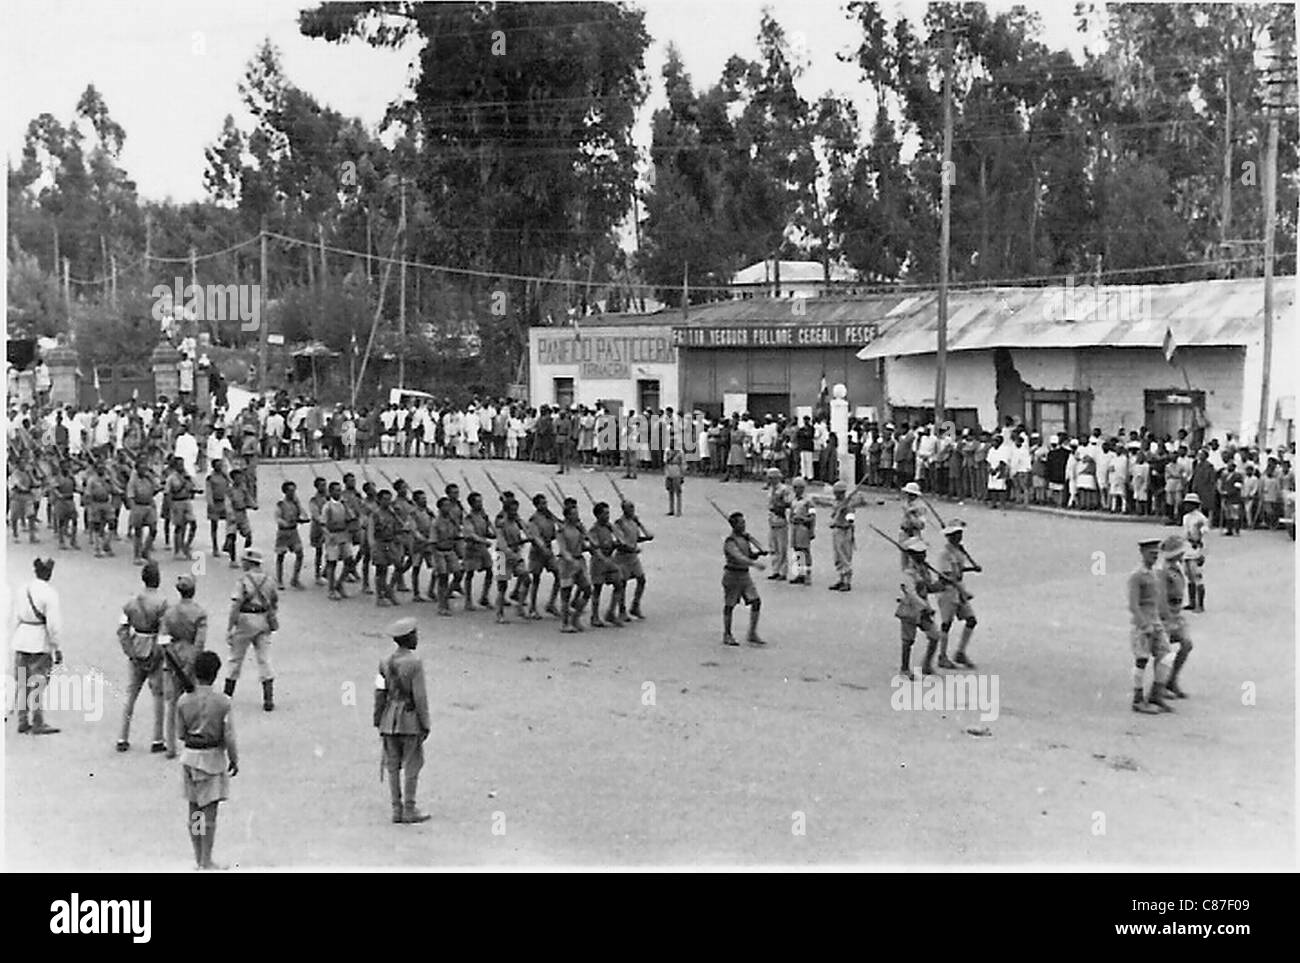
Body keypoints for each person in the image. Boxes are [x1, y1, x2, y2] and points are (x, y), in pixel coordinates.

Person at [177, 650, 239, 869]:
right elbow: (228, 735)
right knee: (209, 815)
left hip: (190, 756)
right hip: (212, 758)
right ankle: (207, 860)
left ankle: (198, 858)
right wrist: (234, 758)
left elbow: (180, 734)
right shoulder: (222, 701)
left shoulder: (184, 700)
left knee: (194, 812)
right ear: (216, 674)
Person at [373, 617, 432, 824]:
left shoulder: (384, 662)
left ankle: (396, 809)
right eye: (414, 634)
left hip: (389, 719)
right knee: (412, 764)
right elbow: (420, 697)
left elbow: (379, 693)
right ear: (409, 638)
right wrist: (426, 723)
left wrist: (378, 720)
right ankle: (409, 808)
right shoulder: (415, 663)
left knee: (392, 766)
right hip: (409, 720)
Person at [116, 561, 169, 752]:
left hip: (136, 647)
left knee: (130, 695)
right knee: (158, 696)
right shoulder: (163, 603)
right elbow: (164, 632)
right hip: (154, 650)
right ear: (158, 579)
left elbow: (122, 630)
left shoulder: (131, 603)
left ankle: (123, 736)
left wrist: (130, 651)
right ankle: (157, 739)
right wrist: (157, 653)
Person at [10, 557, 63, 735]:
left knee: (22, 681)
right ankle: (38, 720)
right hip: (39, 641)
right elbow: (53, 625)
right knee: (38, 682)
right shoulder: (50, 593)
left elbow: (15, 615)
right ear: (49, 573)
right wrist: (56, 646)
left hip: (21, 637)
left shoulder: (22, 589)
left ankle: (22, 719)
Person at [160, 574, 208, 759]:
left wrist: (172, 658)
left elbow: (163, 640)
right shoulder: (200, 613)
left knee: (171, 705)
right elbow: (200, 643)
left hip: (172, 661)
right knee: (196, 704)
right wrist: (190, 665)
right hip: (191, 660)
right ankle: (195, 741)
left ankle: (170, 746)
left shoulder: (169, 612)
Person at [224, 548, 279, 711]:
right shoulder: (269, 580)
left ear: (249, 563)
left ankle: (227, 697)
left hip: (245, 620)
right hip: (263, 620)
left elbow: (236, 605)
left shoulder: (242, 581)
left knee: (235, 659)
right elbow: (274, 602)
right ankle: (268, 699)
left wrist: (230, 627)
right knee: (264, 659)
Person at [1128, 537, 1175, 714]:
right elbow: (1133, 604)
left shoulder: (1156, 573)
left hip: (1157, 622)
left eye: (1156, 554)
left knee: (1167, 657)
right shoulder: (1137, 575)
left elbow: (1160, 599)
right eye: (1151, 554)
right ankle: (1137, 699)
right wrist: (1143, 624)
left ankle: (1156, 694)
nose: (1154, 557)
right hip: (1143, 625)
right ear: (1142, 553)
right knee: (1141, 660)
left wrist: (1166, 618)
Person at [895, 537, 944, 679]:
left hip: (923, 608)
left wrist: (940, 585)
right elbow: (911, 594)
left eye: (924, 553)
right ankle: (904, 669)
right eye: (920, 553)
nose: (923, 556)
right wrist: (925, 608)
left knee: (935, 636)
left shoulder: (923, 570)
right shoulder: (908, 573)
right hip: (910, 609)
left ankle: (926, 665)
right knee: (908, 640)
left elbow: (927, 587)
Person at [934, 522, 982, 668]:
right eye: (956, 535)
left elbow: (959, 571)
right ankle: (942, 656)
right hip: (948, 591)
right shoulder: (945, 554)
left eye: (960, 534)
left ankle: (960, 652)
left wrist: (972, 568)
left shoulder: (958, 551)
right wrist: (964, 592)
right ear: (950, 537)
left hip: (958, 588)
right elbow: (949, 576)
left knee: (971, 620)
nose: (959, 537)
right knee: (946, 624)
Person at [721, 511, 766, 647]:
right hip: (733, 575)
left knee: (756, 601)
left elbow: (748, 554)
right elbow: (738, 556)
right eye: (741, 523)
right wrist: (754, 562)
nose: (744, 525)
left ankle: (752, 632)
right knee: (730, 605)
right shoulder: (731, 541)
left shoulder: (745, 538)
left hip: (744, 575)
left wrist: (757, 554)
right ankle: (727, 633)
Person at [1157, 536, 1193, 699]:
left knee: (1186, 644)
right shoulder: (1163, 571)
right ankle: (1160, 685)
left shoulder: (1177, 567)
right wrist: (1167, 618)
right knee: (1163, 652)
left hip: (1177, 612)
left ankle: (1172, 679)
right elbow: (1161, 596)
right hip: (1166, 613)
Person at [492, 492, 532, 623]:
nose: (515, 512)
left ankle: (520, 606)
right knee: (502, 587)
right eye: (513, 510)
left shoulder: (517, 522)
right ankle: (499, 614)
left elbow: (526, 531)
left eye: (516, 510)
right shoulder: (501, 523)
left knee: (526, 578)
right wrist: (513, 555)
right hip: (502, 556)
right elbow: (502, 544)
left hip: (515, 553)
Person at [612, 499, 653, 620]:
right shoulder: (619, 523)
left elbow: (636, 538)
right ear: (624, 509)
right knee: (622, 584)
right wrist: (632, 548)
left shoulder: (634, 522)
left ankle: (635, 605)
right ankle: (622, 610)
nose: (632, 510)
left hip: (633, 557)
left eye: (633, 508)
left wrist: (642, 529)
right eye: (630, 508)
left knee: (641, 580)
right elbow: (622, 542)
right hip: (622, 557)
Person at [556, 501, 591, 632]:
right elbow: (563, 549)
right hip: (567, 564)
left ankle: (575, 618)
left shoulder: (578, 529)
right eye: (574, 514)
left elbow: (585, 543)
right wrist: (570, 560)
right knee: (566, 593)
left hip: (579, 560)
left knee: (587, 589)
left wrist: (584, 533)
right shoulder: (561, 530)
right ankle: (565, 623)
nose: (577, 516)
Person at [461, 491, 495, 610]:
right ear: (472, 504)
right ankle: (468, 601)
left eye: (481, 501)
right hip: (472, 549)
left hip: (482, 549)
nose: (480, 504)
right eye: (478, 502)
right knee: (469, 574)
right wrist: (484, 541)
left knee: (489, 571)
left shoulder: (483, 517)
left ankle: (484, 597)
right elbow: (470, 534)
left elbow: (490, 533)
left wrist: (489, 523)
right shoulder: (468, 518)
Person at [273, 480, 310, 590]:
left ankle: (295, 578)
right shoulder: (280, 504)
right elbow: (277, 518)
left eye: (294, 491)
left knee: (300, 554)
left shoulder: (295, 503)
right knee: (281, 556)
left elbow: (304, 514)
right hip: (283, 532)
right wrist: (284, 523)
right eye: (290, 491)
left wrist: (300, 510)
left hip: (294, 531)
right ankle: (279, 580)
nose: (292, 493)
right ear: (285, 492)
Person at [827, 479, 861, 592]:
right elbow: (833, 515)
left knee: (845, 556)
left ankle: (847, 581)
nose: (836, 494)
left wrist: (845, 511)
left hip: (845, 530)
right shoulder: (836, 503)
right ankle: (841, 578)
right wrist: (838, 510)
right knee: (838, 557)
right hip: (836, 529)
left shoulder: (849, 505)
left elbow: (851, 518)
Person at [1181, 493, 1208, 612]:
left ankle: (1200, 605)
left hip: (1196, 549)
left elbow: (1204, 536)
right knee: (1189, 576)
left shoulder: (1201, 519)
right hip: (1187, 548)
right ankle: (1192, 602)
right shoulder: (1186, 517)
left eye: (1189, 504)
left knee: (1197, 577)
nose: (1186, 506)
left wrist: (1203, 553)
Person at [764, 468, 791, 582]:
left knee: (782, 548)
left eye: (771, 478)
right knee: (773, 547)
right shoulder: (770, 489)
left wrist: (779, 506)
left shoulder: (784, 490)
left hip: (781, 520)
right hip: (772, 520)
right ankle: (775, 570)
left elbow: (788, 504)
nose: (769, 480)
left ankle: (783, 571)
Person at [788, 477, 815, 586]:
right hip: (795, 527)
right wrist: (791, 519)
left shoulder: (808, 501)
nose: (796, 490)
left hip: (804, 527)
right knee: (797, 551)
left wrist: (811, 529)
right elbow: (791, 513)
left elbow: (813, 516)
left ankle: (807, 575)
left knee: (805, 551)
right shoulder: (793, 500)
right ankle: (799, 573)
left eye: (798, 487)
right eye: (794, 487)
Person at [664, 444, 685, 516]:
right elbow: (665, 463)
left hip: (677, 472)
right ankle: (671, 509)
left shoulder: (680, 452)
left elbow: (682, 463)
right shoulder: (667, 451)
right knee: (670, 492)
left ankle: (679, 510)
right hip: (669, 472)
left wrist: (682, 475)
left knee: (678, 493)